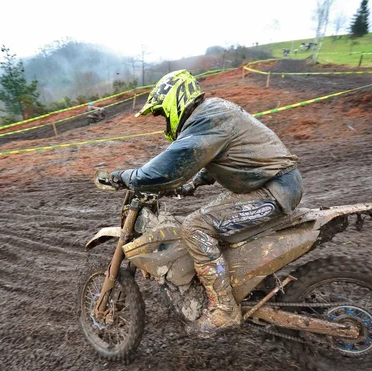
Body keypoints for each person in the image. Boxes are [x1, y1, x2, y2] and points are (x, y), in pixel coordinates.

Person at [109, 70, 303, 336]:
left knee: (195, 227)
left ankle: (224, 309)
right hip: (269, 184)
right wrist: (195, 183)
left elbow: (166, 169)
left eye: (163, 114)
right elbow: (232, 155)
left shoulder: (207, 119)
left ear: (174, 101)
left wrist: (124, 177)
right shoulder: (212, 112)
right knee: (210, 220)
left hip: (273, 191)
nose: (164, 122)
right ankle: (241, 283)